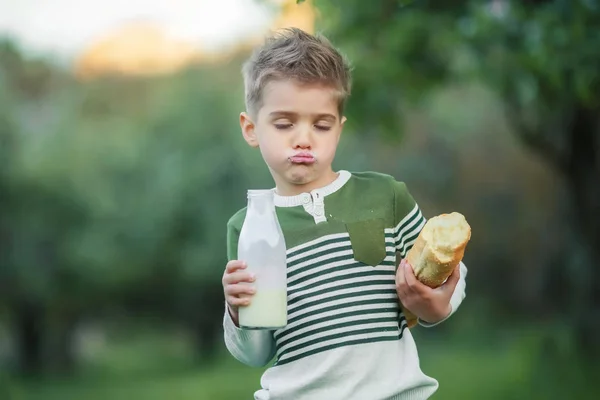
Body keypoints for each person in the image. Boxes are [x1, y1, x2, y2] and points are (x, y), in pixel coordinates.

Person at [222, 27, 468, 400]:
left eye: (320, 125)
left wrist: (438, 305)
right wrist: (238, 313)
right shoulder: (249, 226)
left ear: (339, 128)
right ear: (251, 128)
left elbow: (450, 273)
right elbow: (256, 354)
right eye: (284, 123)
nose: (303, 138)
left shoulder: (385, 196)